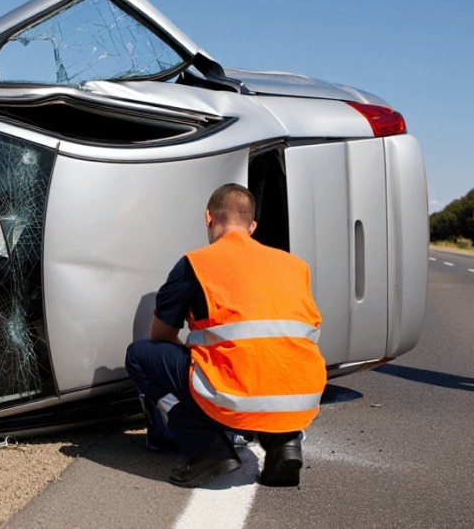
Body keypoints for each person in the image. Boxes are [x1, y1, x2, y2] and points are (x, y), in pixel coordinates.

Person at [125, 183, 326, 487]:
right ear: (252, 226)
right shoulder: (295, 265)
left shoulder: (196, 263)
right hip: (301, 397)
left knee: (140, 355)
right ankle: (284, 445)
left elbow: (162, 336)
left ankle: (207, 448)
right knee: (273, 361)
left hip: (235, 395)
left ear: (208, 217)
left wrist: (196, 365)